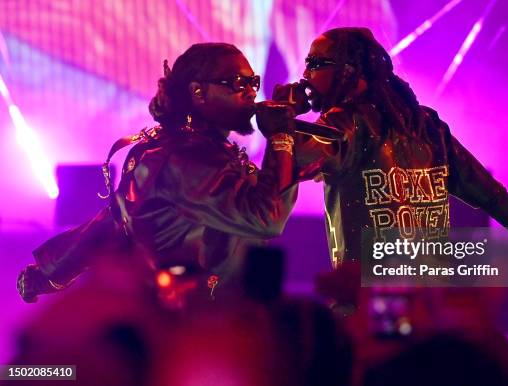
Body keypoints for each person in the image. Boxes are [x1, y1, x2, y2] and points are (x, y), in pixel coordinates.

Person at [273, 27, 508, 279]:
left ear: (348, 71)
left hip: (365, 304)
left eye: (315, 62)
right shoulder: (427, 126)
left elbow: (284, 170)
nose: (305, 74)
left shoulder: (343, 122)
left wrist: (282, 116)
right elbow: (493, 198)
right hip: (432, 300)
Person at [17, 43, 298, 303]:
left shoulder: (188, 146)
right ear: (198, 91)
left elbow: (114, 222)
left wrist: (50, 273)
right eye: (238, 83)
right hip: (188, 324)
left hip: (194, 317)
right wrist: (281, 137)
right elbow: (265, 217)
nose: (251, 91)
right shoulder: (186, 158)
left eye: (253, 82)